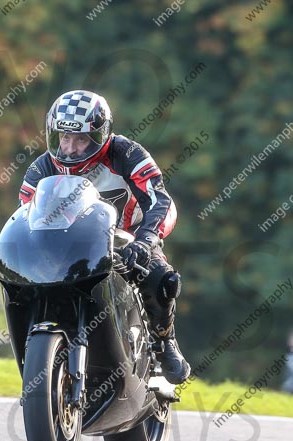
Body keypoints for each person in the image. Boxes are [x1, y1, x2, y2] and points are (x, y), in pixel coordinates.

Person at [16, 89, 190, 384]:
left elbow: (161, 200)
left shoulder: (127, 154)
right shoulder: (41, 168)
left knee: (164, 279)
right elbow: (23, 217)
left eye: (81, 139)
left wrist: (146, 239)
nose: (70, 148)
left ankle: (164, 341)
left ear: (100, 136)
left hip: (128, 240)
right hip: (69, 249)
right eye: (64, 137)